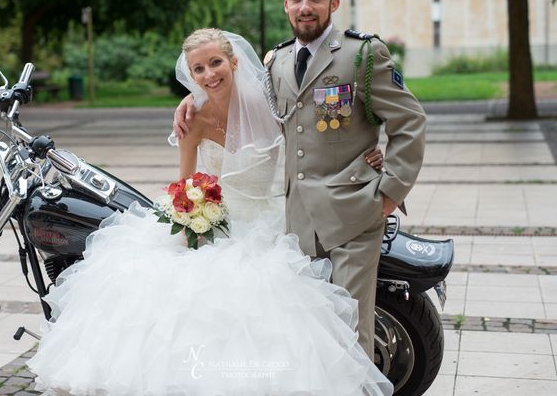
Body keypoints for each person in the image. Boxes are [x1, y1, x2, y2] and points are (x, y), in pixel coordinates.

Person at [27, 29, 393, 396]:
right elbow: (184, 183)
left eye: (215, 63)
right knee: (152, 285)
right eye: (198, 69)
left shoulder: (271, 105)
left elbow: (320, 133)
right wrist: (189, 215)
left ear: (234, 62)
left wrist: (370, 151)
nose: (208, 75)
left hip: (270, 219)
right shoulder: (192, 118)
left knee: (261, 299)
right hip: (214, 219)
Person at [174, 0, 427, 358]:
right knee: (311, 334)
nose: (305, 6)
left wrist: (389, 191)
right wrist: (193, 99)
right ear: (286, 6)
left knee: (349, 333)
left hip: (352, 212)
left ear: (334, 3)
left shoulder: (362, 54)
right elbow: (245, 105)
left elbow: (409, 120)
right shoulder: (277, 61)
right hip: (295, 222)